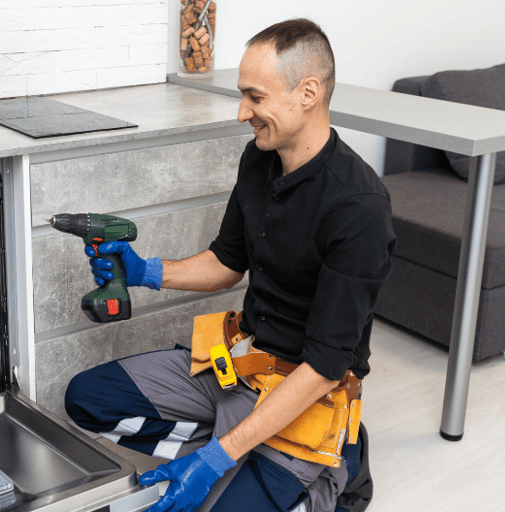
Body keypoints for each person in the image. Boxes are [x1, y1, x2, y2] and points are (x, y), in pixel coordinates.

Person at [65, 18, 395, 512]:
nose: (243, 113)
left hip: (306, 391)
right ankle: (240, 451)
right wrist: (145, 272)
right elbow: (227, 261)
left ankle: (338, 467)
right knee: (87, 398)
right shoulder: (259, 160)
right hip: (241, 367)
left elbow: (325, 368)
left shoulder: (358, 208)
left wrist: (216, 458)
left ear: (307, 93)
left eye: (255, 97)